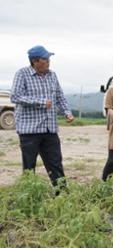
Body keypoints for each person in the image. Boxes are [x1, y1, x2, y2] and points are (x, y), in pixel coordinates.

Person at [11, 45, 74, 189]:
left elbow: (59, 97)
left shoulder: (52, 75)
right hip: (29, 131)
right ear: (35, 61)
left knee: (55, 163)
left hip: (49, 129)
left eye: (48, 59)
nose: (49, 62)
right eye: (46, 59)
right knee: (29, 167)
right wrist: (40, 102)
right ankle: (29, 196)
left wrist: (67, 112)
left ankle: (61, 194)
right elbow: (15, 96)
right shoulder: (22, 74)